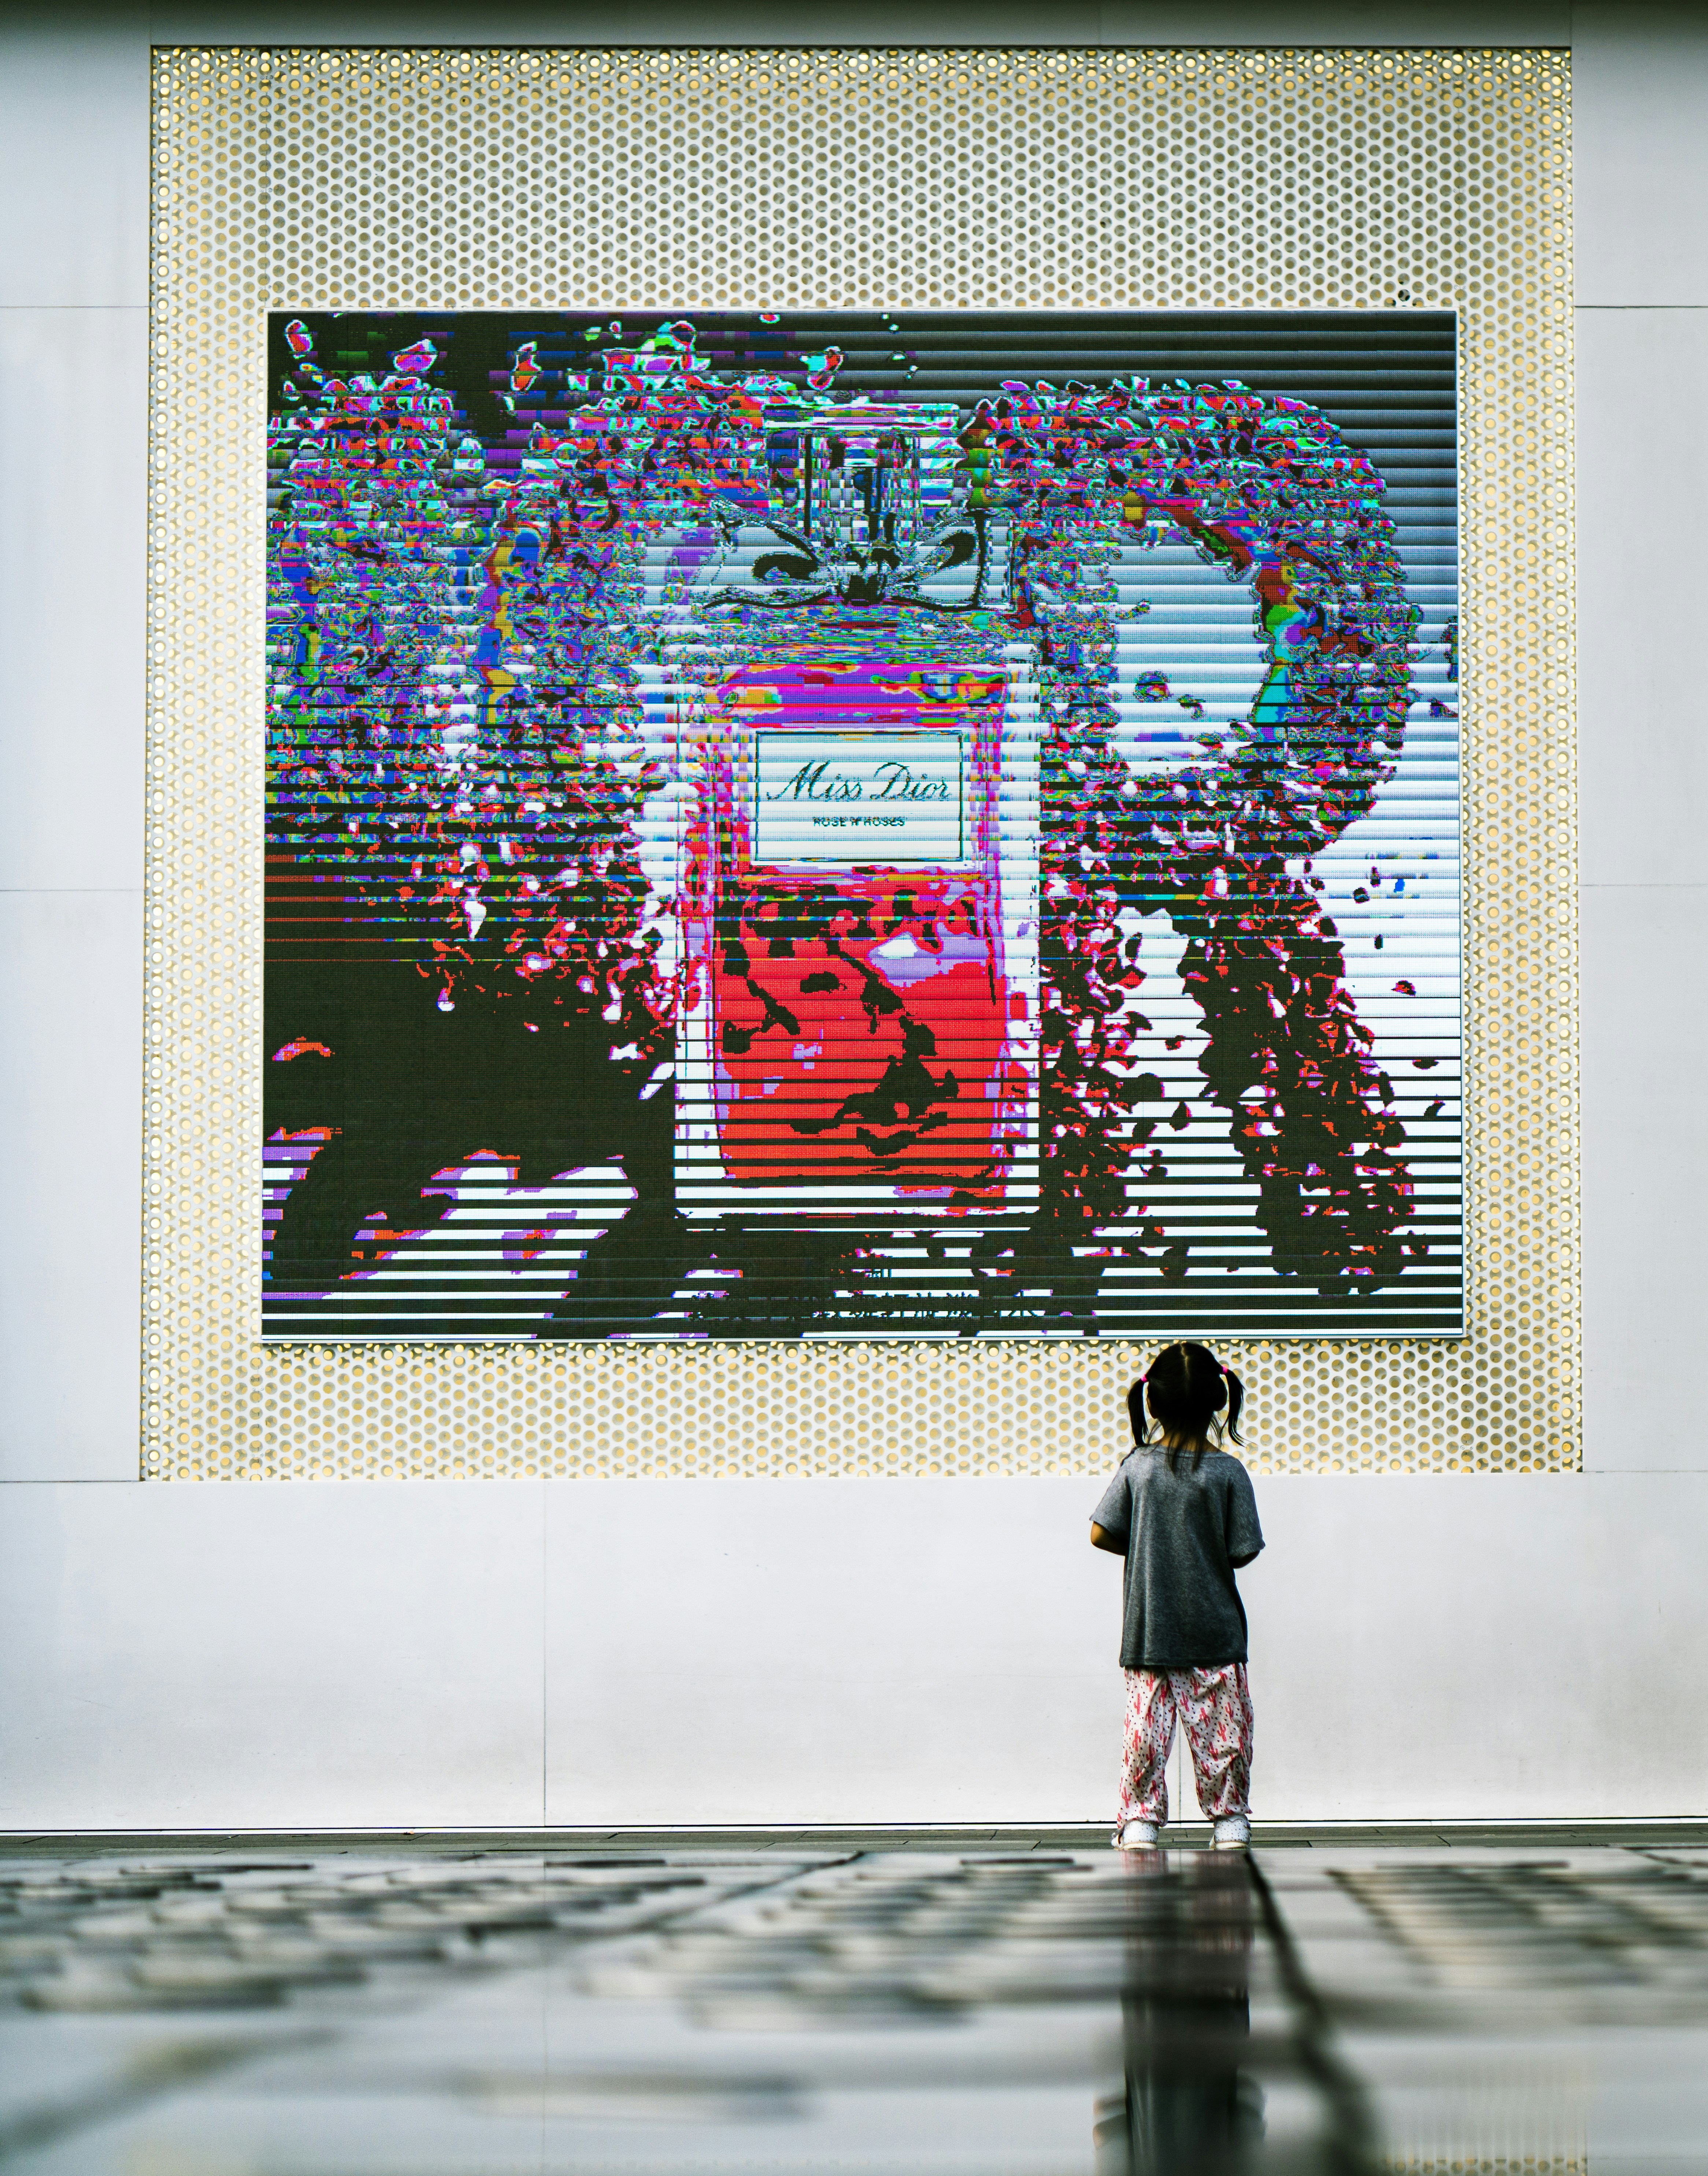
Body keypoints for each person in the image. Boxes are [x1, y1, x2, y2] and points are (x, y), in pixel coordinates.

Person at [1090, 1342, 1264, 1850]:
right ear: (1217, 1403)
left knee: (1144, 1734)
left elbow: (1100, 1534)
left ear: (1154, 1404)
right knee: (1225, 1737)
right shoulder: (1229, 1472)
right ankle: (1230, 1821)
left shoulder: (1138, 1468)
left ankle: (1140, 1823)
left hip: (1150, 1630)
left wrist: (1149, 1541)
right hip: (1216, 1630)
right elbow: (1242, 1551)